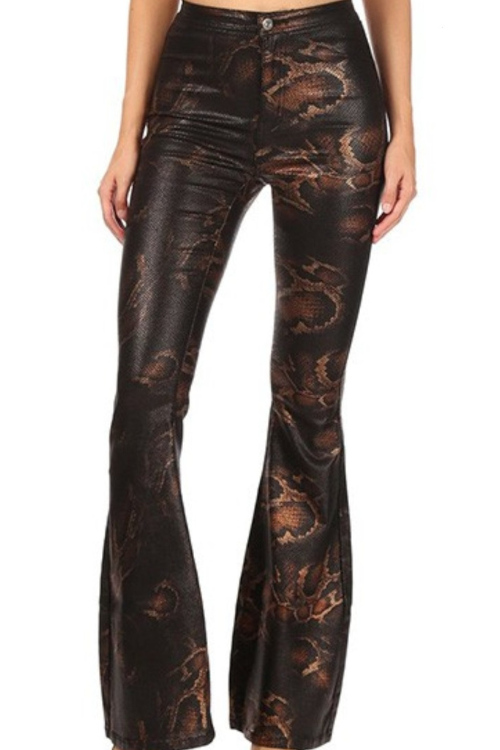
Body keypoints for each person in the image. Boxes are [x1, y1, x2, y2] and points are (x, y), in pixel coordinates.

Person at [96, 0, 416, 749]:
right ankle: (156, 723)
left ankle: (285, 719)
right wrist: (127, 132)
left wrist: (404, 126)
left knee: (309, 409)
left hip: (331, 86)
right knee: (143, 402)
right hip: (194, 87)